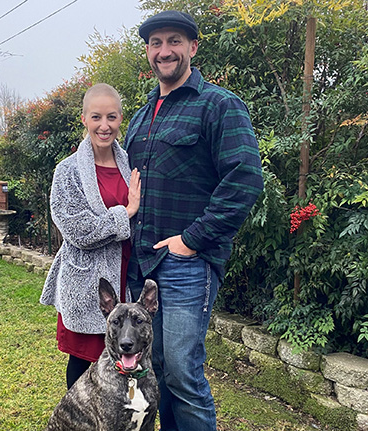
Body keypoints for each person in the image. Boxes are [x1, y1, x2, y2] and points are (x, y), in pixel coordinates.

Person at [124, 10, 264, 431]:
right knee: (157, 370)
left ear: (193, 48)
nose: (164, 51)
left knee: (183, 374)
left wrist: (192, 239)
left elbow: (245, 179)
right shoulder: (140, 116)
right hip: (142, 264)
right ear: (148, 52)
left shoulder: (219, 105)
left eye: (174, 41)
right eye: (156, 43)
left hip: (186, 265)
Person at [40, 83, 141, 389]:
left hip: (126, 274)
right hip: (88, 283)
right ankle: (79, 417)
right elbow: (75, 229)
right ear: (84, 118)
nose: (104, 125)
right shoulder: (68, 171)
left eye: (111, 117)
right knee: (85, 363)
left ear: (120, 118)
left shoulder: (128, 164)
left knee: (124, 359)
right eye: (96, 117)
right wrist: (126, 212)